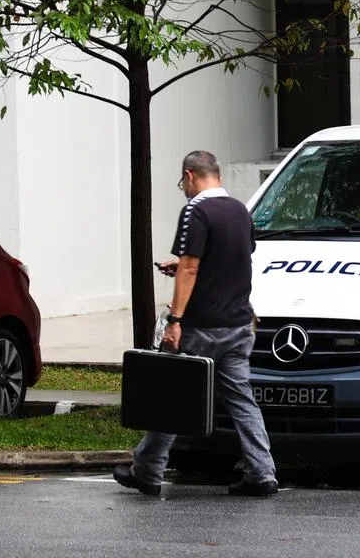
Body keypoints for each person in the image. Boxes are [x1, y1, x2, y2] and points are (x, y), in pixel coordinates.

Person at [113, 150, 278, 497]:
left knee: (173, 397)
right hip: (238, 324)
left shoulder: (195, 211)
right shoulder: (240, 211)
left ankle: (147, 470)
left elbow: (191, 267)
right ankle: (262, 472)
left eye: (182, 182)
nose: (183, 189)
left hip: (203, 325)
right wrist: (187, 266)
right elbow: (233, 260)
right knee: (242, 401)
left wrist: (175, 319)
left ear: (190, 176)